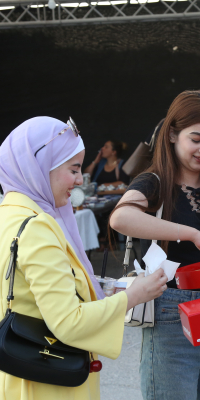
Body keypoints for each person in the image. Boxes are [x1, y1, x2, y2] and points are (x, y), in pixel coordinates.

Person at [0, 116, 168, 400]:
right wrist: (133, 296)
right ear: (41, 166)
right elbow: (68, 322)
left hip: (20, 372)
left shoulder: (9, 213)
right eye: (74, 169)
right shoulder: (37, 227)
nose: (80, 180)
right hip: (49, 382)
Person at [110, 90, 200, 400]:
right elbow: (120, 218)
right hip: (171, 312)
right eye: (196, 139)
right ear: (172, 134)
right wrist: (192, 234)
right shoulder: (154, 181)